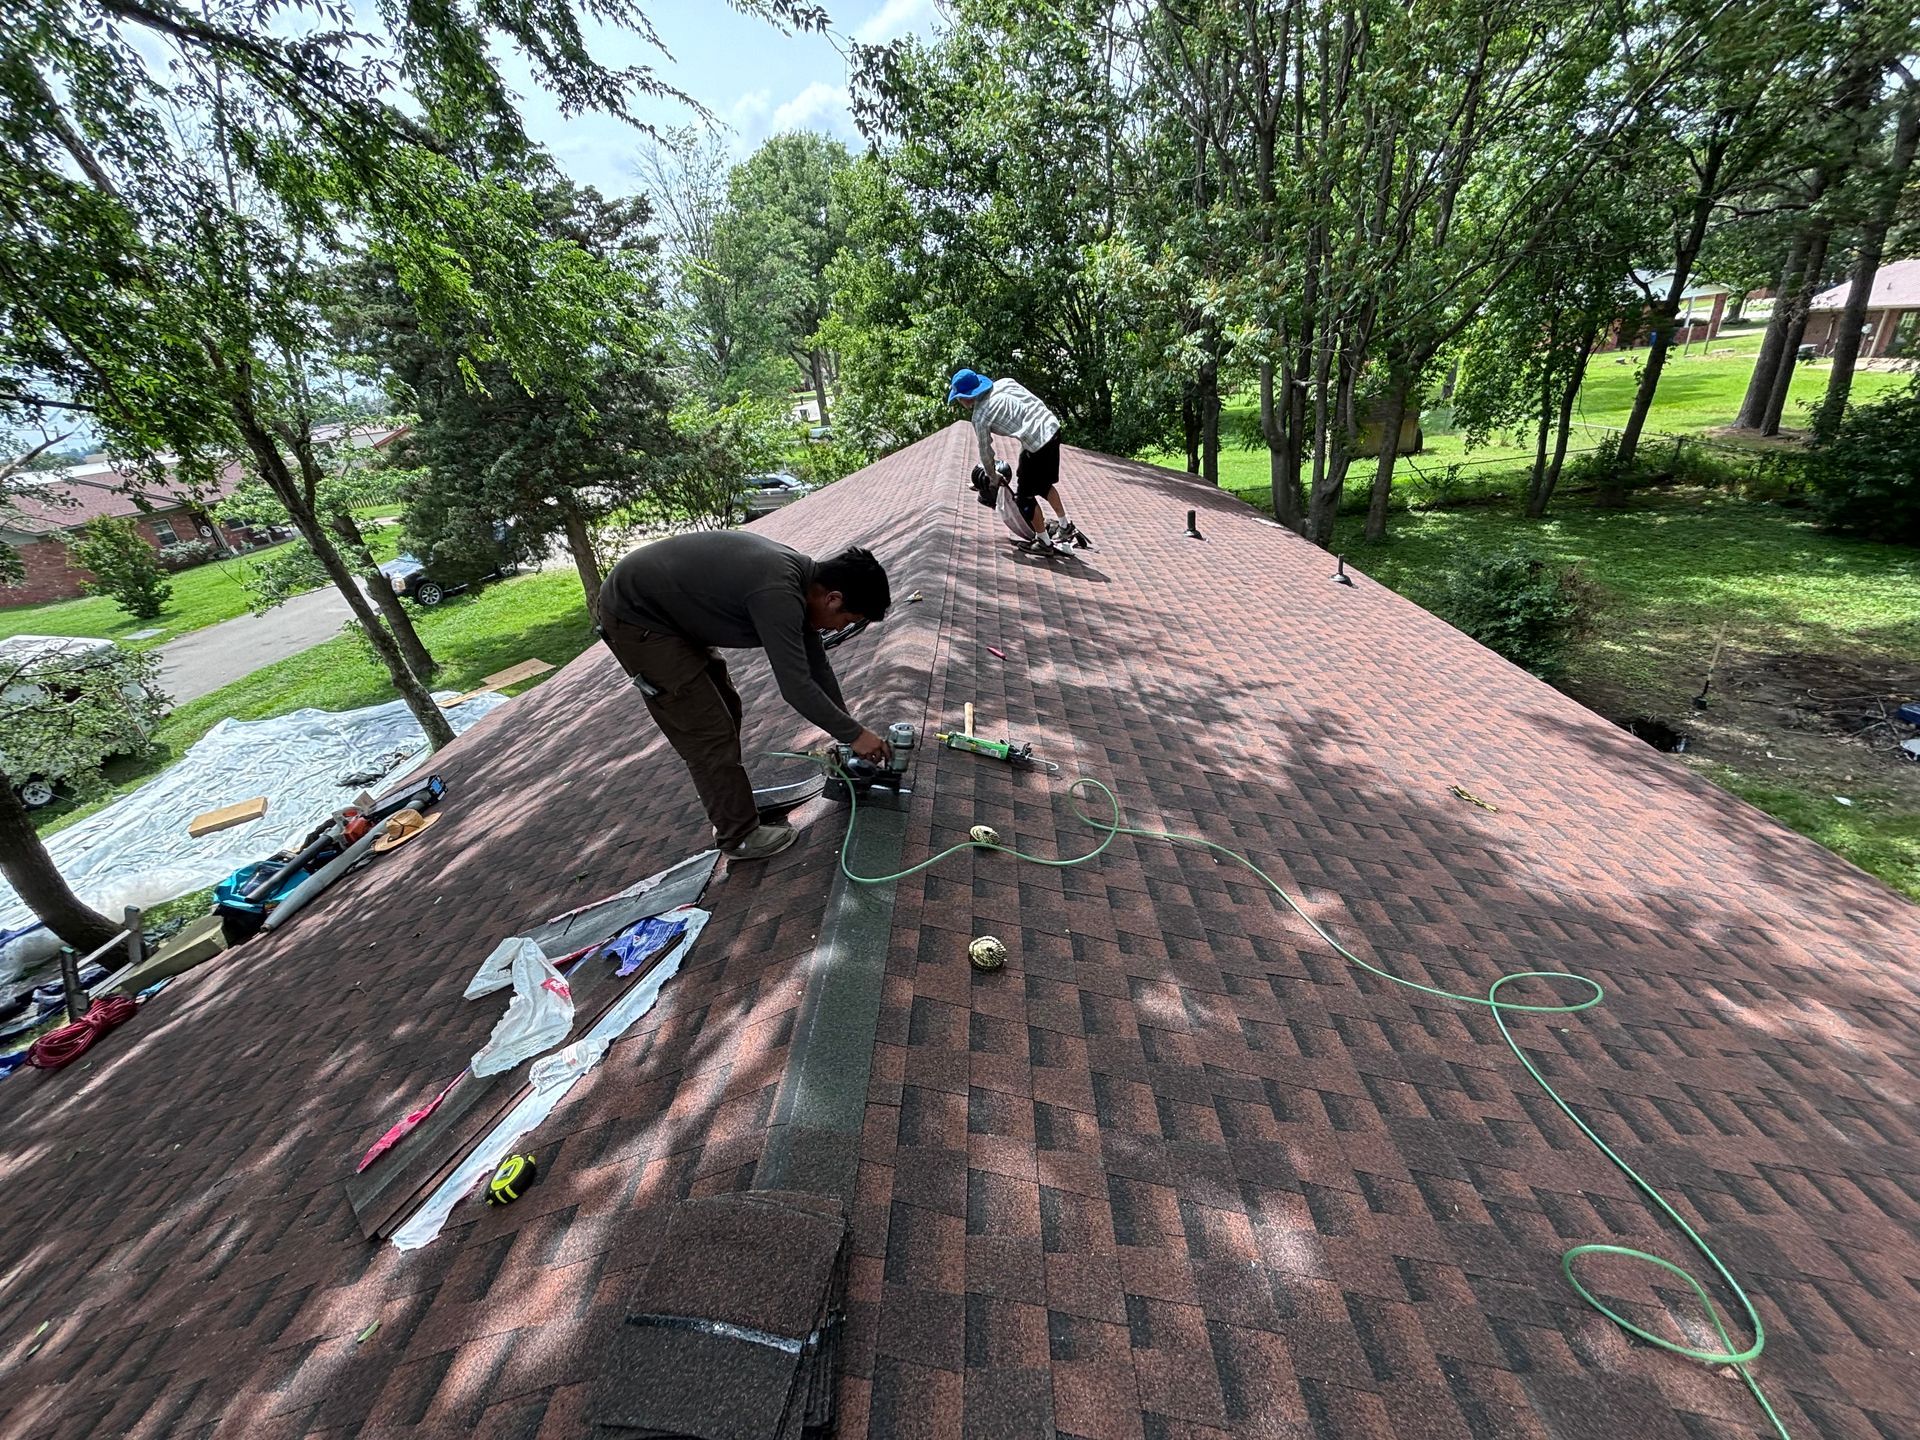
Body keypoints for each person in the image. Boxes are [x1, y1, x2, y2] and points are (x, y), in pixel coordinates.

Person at [597, 532, 893, 861]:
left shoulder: (804, 582)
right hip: (637, 616)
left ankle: (732, 805)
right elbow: (795, 687)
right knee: (706, 729)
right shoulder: (778, 593)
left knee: (726, 706)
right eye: (847, 621)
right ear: (834, 599)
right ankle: (737, 836)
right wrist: (854, 735)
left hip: (669, 611)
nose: (839, 629)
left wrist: (849, 735)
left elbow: (817, 667)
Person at [948, 369, 1083, 546]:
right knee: (1042, 485)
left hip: (1036, 443)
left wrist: (992, 477)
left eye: (958, 398)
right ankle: (1065, 526)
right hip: (1051, 428)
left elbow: (985, 453)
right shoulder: (1005, 382)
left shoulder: (980, 417)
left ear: (965, 397)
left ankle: (1043, 542)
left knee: (1024, 497)